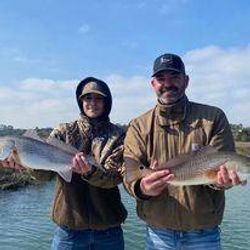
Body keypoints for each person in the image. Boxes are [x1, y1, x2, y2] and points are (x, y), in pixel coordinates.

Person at [123, 53, 246, 250]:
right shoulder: (138, 125)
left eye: (174, 77)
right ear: (153, 84)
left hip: (204, 233)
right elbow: (128, 174)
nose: (168, 84)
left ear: (186, 81)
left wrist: (222, 183)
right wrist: (142, 188)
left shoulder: (213, 117)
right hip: (158, 234)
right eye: (161, 79)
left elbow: (220, 169)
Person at [1, 76, 127, 250]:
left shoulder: (118, 135)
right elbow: (45, 175)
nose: (93, 103)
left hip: (109, 230)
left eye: (99, 98)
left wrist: (89, 171)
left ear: (107, 102)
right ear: (80, 101)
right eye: (88, 98)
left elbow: (115, 177)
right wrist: (26, 166)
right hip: (69, 231)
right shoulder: (63, 131)